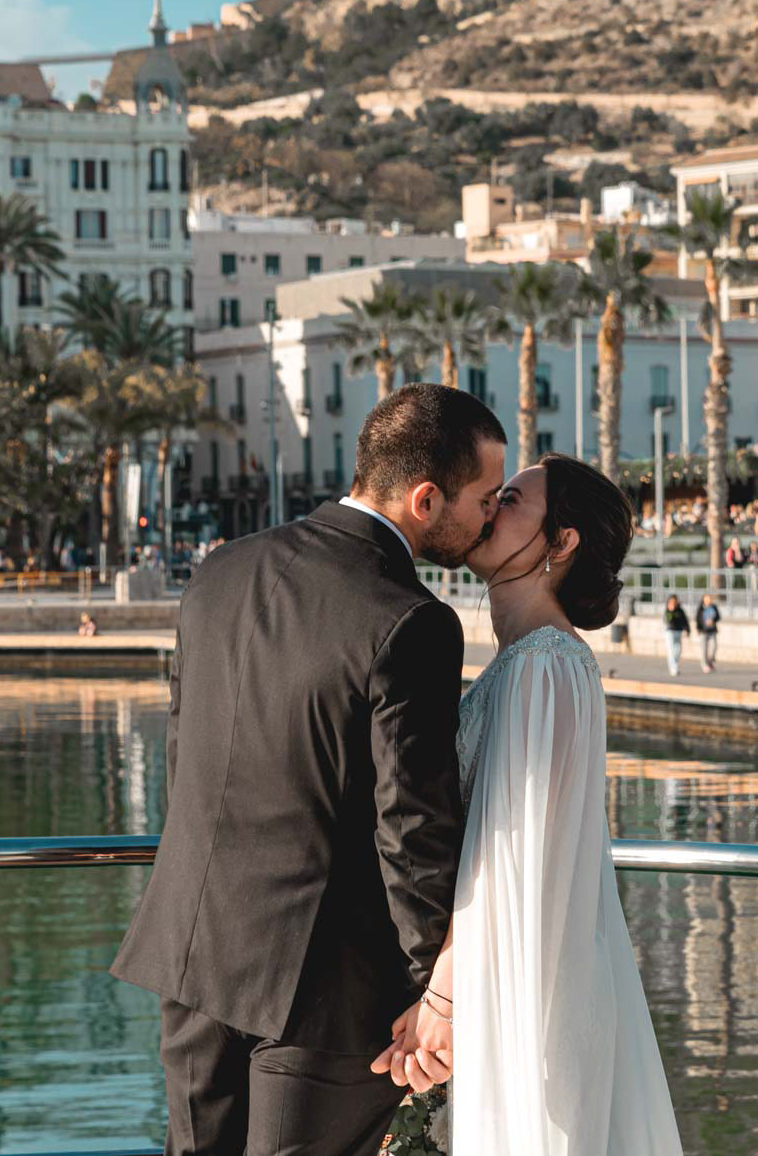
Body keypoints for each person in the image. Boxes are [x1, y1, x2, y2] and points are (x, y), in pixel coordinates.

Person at [111, 384, 506, 1156]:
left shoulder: (220, 573)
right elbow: (412, 829)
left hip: (194, 955)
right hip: (322, 986)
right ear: (427, 499)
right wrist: (436, 992)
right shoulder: (410, 621)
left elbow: (185, 755)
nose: (491, 515)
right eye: (486, 498)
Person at [373, 452, 682, 1154]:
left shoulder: (544, 667)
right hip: (516, 975)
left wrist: (445, 1003)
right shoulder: (530, 663)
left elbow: (513, 861)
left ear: (561, 541)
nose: (489, 508)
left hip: (523, 987)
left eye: (511, 499)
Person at [662, 593, 690, 676]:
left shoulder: (680, 610)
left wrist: (687, 630)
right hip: (670, 631)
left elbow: (685, 620)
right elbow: (667, 620)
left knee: (678, 650)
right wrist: (671, 611)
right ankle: (673, 668)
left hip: (679, 631)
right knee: (671, 651)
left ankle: (676, 666)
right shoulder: (667, 610)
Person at [695, 593, 721, 673]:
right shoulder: (701, 608)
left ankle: (710, 662)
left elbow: (718, 617)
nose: (709, 600)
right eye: (707, 599)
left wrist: (713, 621)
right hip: (704, 631)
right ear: (704, 599)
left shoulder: (713, 607)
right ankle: (704, 665)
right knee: (704, 649)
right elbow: (698, 619)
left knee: (714, 646)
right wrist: (699, 629)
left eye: (710, 599)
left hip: (712, 630)